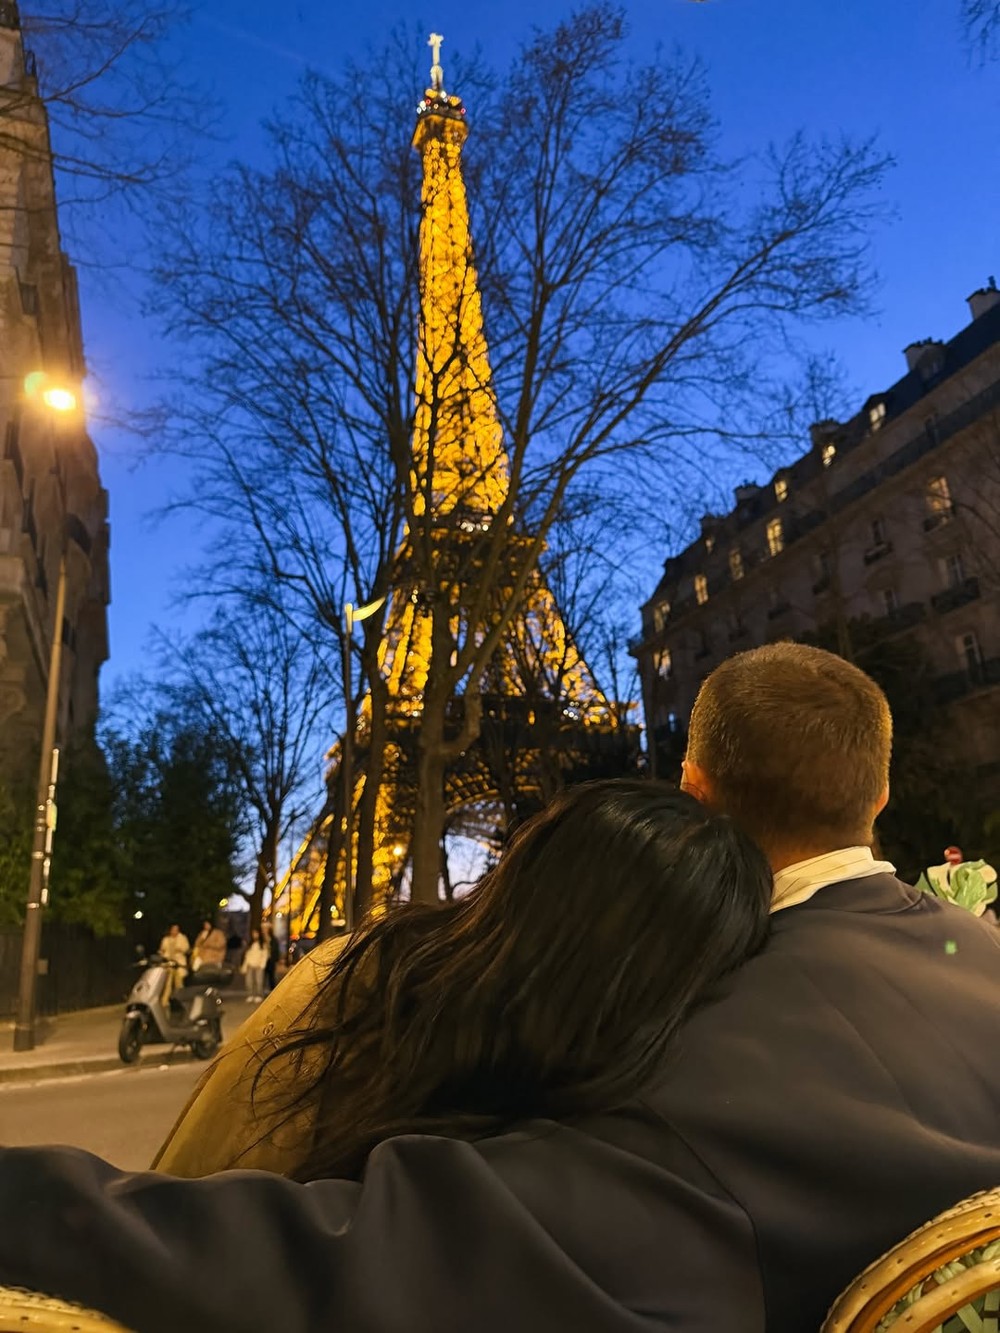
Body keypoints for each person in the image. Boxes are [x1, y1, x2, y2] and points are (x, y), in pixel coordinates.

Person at [3, 645, 1000, 1330]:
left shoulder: (694, 1049)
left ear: (693, 786)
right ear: (877, 795)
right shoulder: (977, 957)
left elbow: (347, 1270)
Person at [157, 923, 189, 995]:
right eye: (173, 929)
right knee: (167, 982)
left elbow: (186, 949)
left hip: (179, 964)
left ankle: (180, 998)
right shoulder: (166, 939)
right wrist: (162, 953)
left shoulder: (182, 938)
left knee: (179, 982)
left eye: (176, 930)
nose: (174, 931)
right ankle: (165, 1000)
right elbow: (162, 950)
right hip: (168, 963)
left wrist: (179, 949)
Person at [240, 928, 268, 1004]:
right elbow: (247, 955)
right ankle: (250, 994)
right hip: (250, 964)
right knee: (249, 981)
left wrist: (262, 964)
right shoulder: (250, 944)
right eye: (253, 933)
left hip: (258, 964)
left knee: (259, 981)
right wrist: (245, 965)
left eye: (256, 933)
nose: (254, 935)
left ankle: (259, 995)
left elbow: (265, 955)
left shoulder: (262, 944)